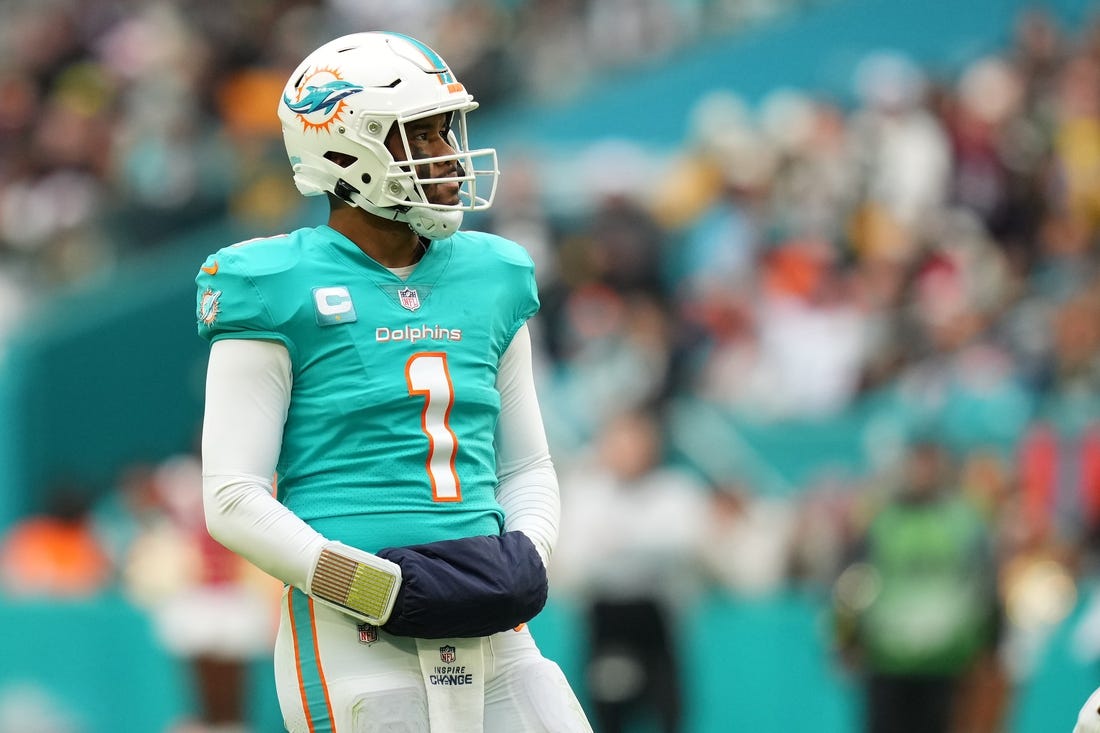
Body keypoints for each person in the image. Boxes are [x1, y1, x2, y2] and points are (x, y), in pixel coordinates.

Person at [195, 31, 592, 733]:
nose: (449, 154)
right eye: (422, 134)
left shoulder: (492, 274)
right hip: (355, 632)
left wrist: (526, 556)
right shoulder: (275, 281)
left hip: (490, 621)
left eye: (446, 130)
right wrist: (374, 588)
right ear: (346, 150)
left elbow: (528, 463)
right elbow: (231, 496)